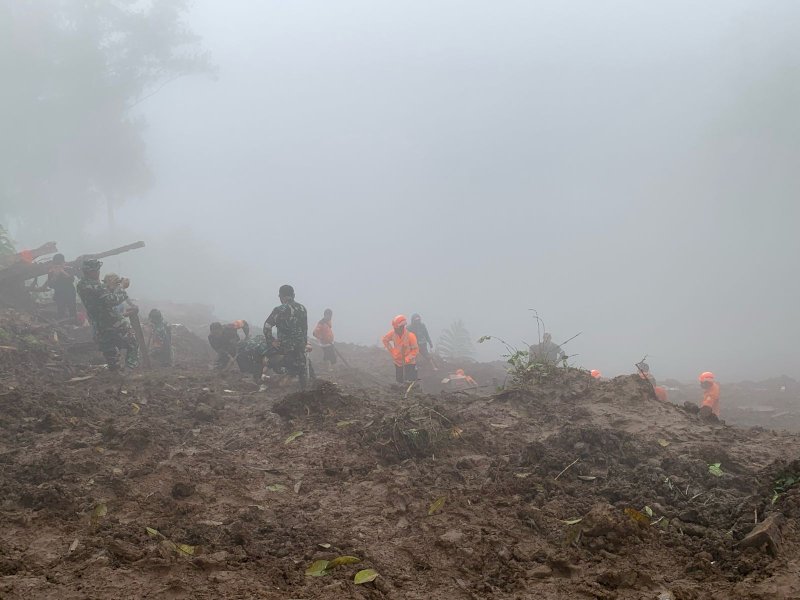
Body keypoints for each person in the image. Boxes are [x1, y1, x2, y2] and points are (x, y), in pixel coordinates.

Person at [76, 259, 139, 371]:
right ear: (93, 271)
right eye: (97, 271)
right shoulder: (95, 286)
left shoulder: (81, 284)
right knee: (132, 340)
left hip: (97, 321)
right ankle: (130, 368)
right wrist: (121, 287)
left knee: (108, 346)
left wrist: (111, 287)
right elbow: (112, 300)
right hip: (111, 320)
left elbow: (101, 301)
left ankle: (114, 370)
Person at [263, 284, 310, 390]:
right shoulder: (302, 309)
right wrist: (303, 344)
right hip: (300, 348)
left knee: (267, 360)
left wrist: (271, 341)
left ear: (281, 296)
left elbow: (266, 327)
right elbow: (304, 329)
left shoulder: (280, 309)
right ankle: (303, 391)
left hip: (285, 348)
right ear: (293, 295)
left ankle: (274, 382)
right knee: (302, 370)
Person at [33, 253, 77, 321]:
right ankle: (63, 326)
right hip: (59, 294)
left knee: (72, 310)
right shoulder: (51, 272)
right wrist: (55, 275)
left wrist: (62, 271)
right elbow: (51, 285)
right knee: (60, 311)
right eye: (57, 263)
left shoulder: (68, 269)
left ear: (64, 263)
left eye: (60, 263)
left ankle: (75, 324)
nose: (58, 265)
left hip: (70, 293)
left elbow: (71, 280)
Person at [382, 314, 419, 384]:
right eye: (394, 328)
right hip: (398, 362)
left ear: (402, 327)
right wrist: (392, 351)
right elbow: (385, 340)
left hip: (409, 363)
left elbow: (415, 350)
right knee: (399, 381)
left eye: (396, 328)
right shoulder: (393, 333)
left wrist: (407, 359)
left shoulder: (410, 336)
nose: (395, 329)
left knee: (410, 382)